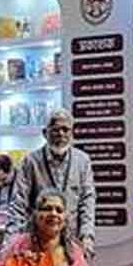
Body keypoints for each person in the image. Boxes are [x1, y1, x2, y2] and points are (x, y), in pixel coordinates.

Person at [7, 109, 96, 257]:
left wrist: (87, 236)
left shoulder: (82, 161)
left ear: (72, 133)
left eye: (65, 129)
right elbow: (18, 203)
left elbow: (87, 201)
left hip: (72, 242)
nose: (61, 134)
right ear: (45, 133)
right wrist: (11, 243)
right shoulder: (31, 162)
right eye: (55, 130)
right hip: (37, 244)